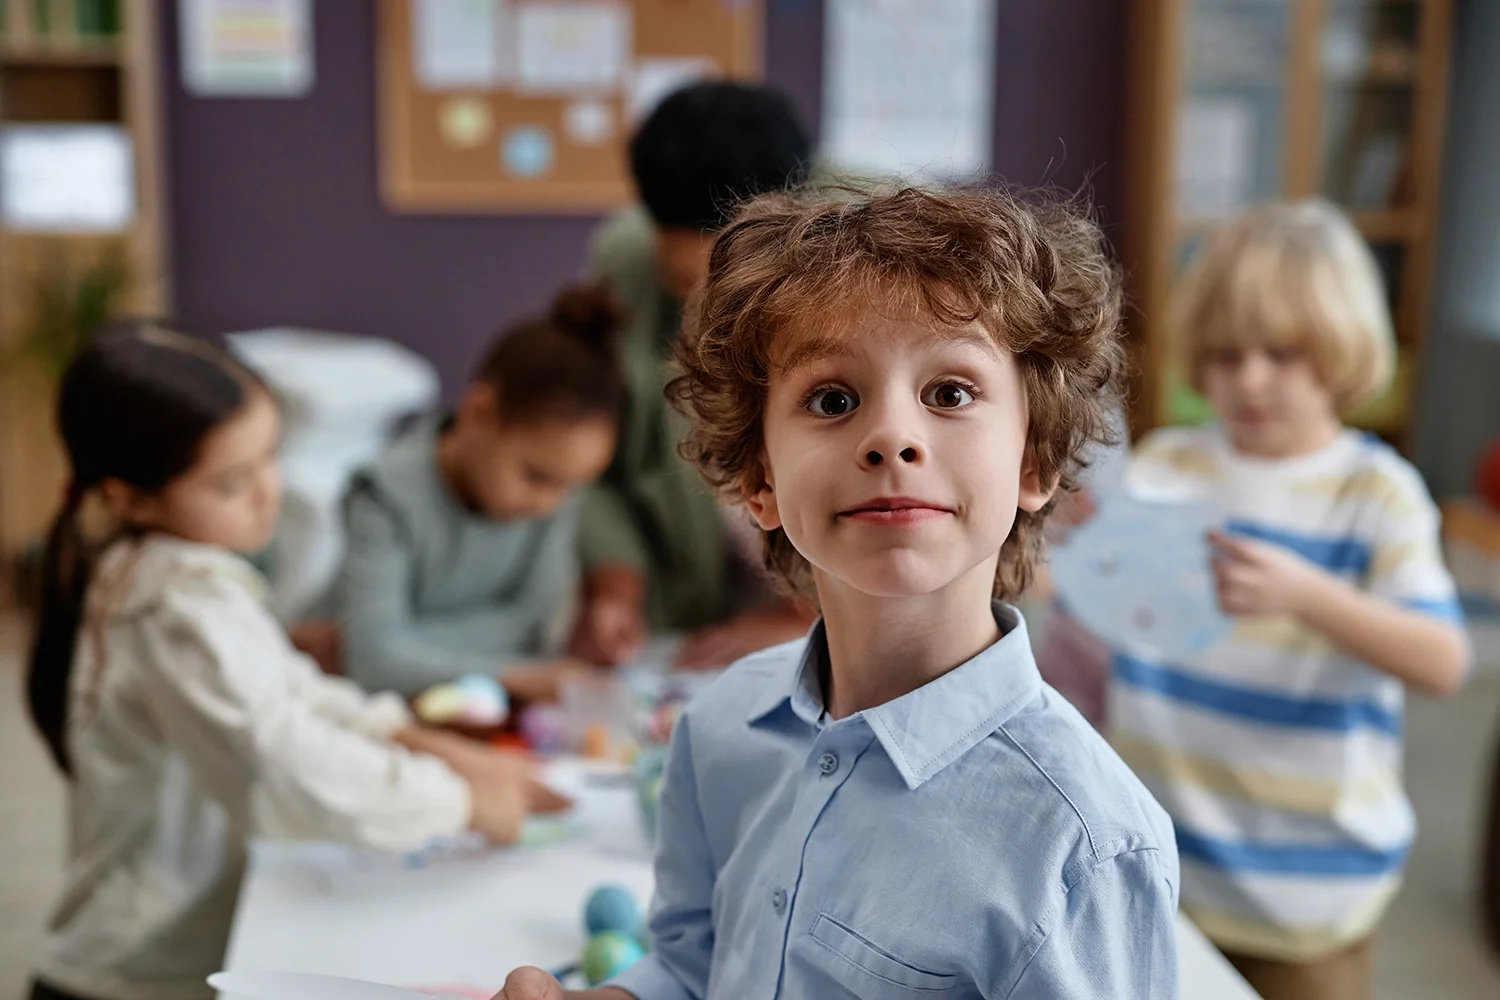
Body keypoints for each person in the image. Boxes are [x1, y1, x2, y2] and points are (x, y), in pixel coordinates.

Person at [496, 184, 1181, 1000]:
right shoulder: (719, 732)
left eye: (950, 393)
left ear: (1033, 463)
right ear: (758, 480)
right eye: (833, 400)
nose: (891, 436)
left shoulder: (1086, 844)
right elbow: (691, 965)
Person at [25, 325, 564, 1000]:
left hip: (152, 956)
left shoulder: (174, 569)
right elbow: (286, 767)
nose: (266, 494)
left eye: (269, 458)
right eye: (229, 483)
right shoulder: (178, 608)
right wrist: (459, 802)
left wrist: (425, 743)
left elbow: (293, 693)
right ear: (128, 496)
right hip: (133, 978)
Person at [1107, 200, 1470, 1000]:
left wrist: (1308, 594)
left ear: (1341, 353)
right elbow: (1097, 603)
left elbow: (1443, 662)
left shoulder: (1376, 493)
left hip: (1309, 895)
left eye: (1283, 354)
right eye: (1228, 354)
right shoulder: (1167, 467)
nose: (1251, 380)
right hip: (1162, 866)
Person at [571, 81, 819, 671]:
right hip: (697, 614)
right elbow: (594, 460)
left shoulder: (891, 257)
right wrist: (616, 582)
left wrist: (809, 616)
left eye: (738, 288)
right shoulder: (624, 267)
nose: (710, 316)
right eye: (684, 282)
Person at [334, 285, 622, 699]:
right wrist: (512, 675)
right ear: (478, 411)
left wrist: (406, 643)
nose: (548, 503)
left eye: (569, 487)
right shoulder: (385, 493)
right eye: (535, 477)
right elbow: (374, 661)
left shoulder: (555, 499)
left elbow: (536, 623)